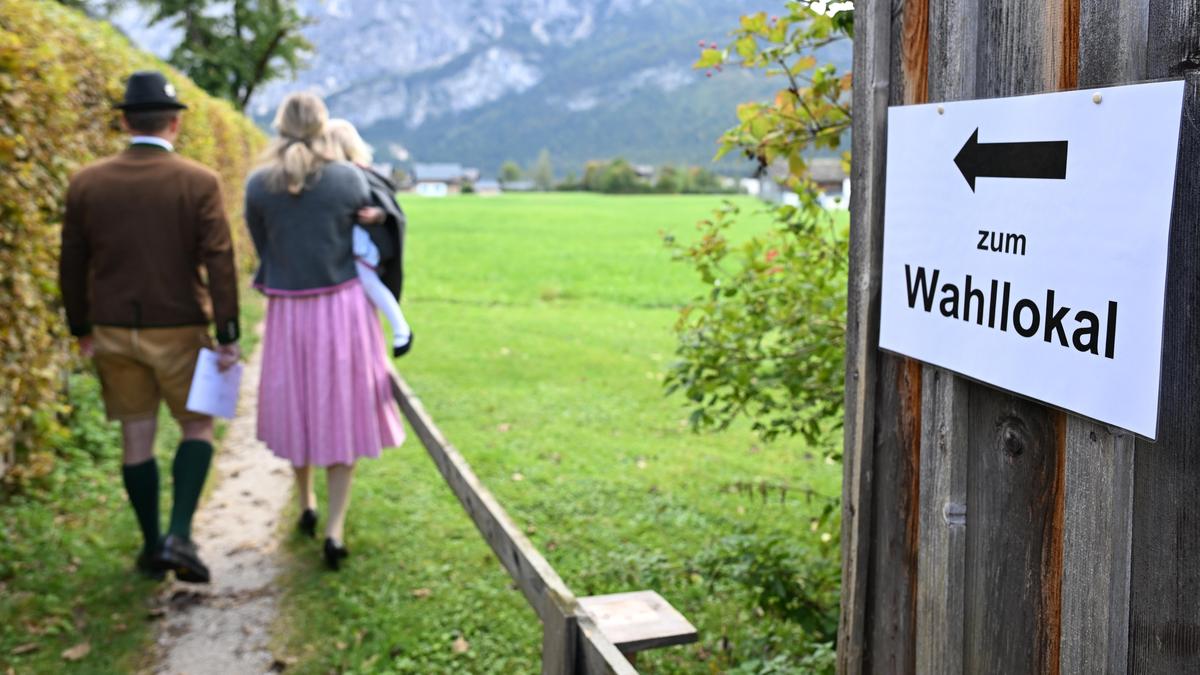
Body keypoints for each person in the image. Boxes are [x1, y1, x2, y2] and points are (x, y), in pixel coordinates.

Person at [59, 70, 242, 584]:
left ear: (122, 120)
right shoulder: (199, 181)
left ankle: (149, 545)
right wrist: (226, 332)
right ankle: (180, 535)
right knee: (197, 426)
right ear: (176, 123)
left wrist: (81, 327)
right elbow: (220, 260)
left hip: (112, 328)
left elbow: (70, 262)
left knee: (136, 436)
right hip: (180, 326)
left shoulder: (86, 181)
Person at [245, 93, 405, 570]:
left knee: (299, 406)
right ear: (322, 126)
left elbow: (263, 247)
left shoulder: (258, 185)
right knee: (341, 408)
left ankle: (305, 502)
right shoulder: (348, 179)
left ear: (280, 126)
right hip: (342, 310)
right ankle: (334, 529)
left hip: (289, 312)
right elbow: (381, 229)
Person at [323, 118, 412, 357]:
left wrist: (379, 215)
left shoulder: (362, 174)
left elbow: (389, 209)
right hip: (344, 250)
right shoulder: (328, 176)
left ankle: (400, 327)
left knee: (368, 281)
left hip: (362, 249)